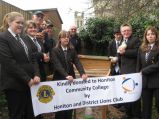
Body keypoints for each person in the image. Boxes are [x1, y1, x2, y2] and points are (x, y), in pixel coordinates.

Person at [0, 12, 40, 119]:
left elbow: (32, 58)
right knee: (17, 115)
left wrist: (36, 74)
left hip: (29, 84)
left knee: (29, 113)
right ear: (9, 22)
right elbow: (9, 63)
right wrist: (27, 79)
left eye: (22, 23)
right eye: (18, 22)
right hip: (15, 85)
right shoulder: (3, 38)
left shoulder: (23, 38)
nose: (21, 25)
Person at [51, 30, 87, 119]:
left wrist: (82, 73)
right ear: (60, 39)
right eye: (64, 37)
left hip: (71, 80)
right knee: (61, 104)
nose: (66, 38)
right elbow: (57, 65)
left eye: (67, 37)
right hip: (60, 79)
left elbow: (77, 62)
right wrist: (66, 75)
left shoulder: (72, 49)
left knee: (70, 103)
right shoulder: (55, 50)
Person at [118, 23, 141, 119]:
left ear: (131, 31)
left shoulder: (135, 40)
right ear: (121, 32)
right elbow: (120, 55)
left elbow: (138, 52)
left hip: (133, 72)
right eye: (124, 31)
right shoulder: (122, 41)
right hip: (124, 72)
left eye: (128, 30)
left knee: (134, 95)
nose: (126, 32)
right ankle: (128, 114)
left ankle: (136, 115)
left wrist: (125, 52)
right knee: (126, 93)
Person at [136, 26, 159, 119]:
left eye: (152, 34)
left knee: (158, 104)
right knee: (146, 106)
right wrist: (137, 74)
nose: (150, 36)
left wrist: (144, 71)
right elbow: (138, 64)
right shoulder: (142, 48)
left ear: (156, 36)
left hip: (157, 81)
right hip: (144, 82)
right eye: (148, 34)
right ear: (145, 36)